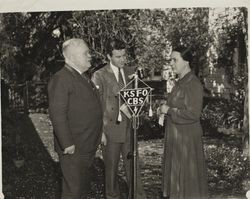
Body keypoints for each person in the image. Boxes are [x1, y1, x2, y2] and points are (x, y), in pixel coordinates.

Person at [48, 38, 103, 199]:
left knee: (80, 189)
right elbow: (57, 114)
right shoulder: (61, 79)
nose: (90, 56)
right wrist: (67, 144)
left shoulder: (82, 76)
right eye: (85, 53)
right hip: (74, 147)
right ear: (71, 57)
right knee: (73, 191)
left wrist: (100, 133)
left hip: (86, 144)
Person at [92, 39, 146, 199]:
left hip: (130, 130)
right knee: (111, 172)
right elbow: (96, 107)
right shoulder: (99, 75)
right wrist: (100, 132)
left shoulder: (132, 72)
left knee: (133, 169)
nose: (122, 59)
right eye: (117, 56)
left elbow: (139, 99)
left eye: (124, 56)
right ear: (109, 56)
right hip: (110, 131)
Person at [159, 46, 208, 199]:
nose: (171, 63)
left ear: (186, 62)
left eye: (175, 60)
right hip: (176, 136)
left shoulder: (193, 84)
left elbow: (193, 114)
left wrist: (168, 111)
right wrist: (163, 112)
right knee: (177, 180)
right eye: (170, 60)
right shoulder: (179, 83)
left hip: (186, 139)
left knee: (187, 182)